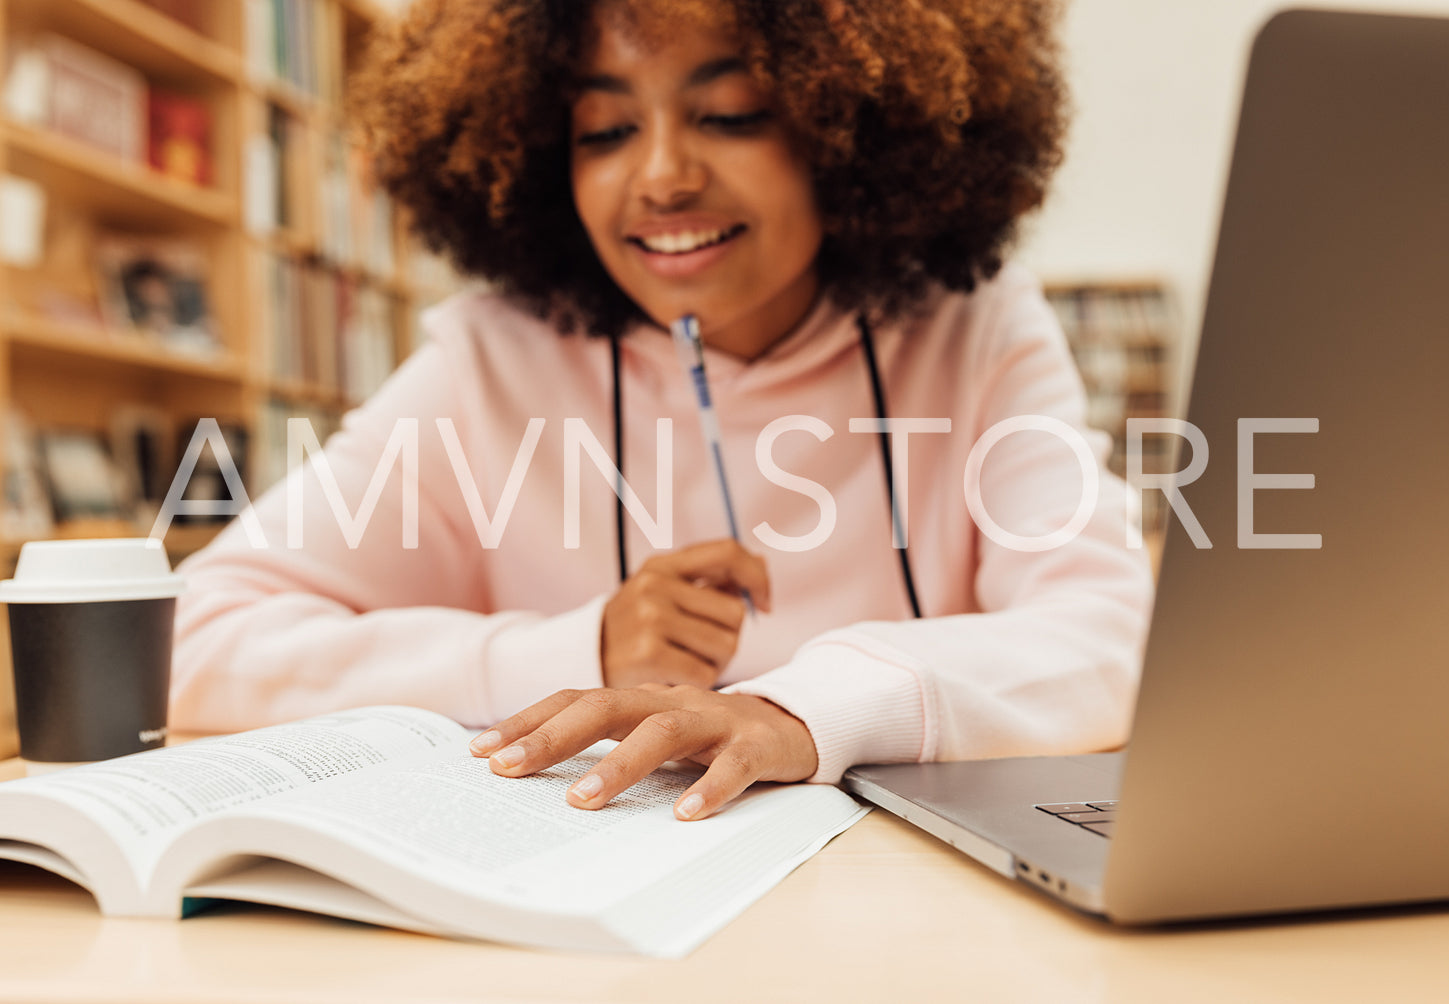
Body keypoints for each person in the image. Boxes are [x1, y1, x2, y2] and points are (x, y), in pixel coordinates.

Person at [169, 0, 1154, 823]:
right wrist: (581, 648)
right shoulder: (488, 362)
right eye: (604, 132)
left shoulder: (972, 333)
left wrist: (806, 709)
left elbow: (1110, 630)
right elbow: (196, 639)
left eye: (729, 113)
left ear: (849, 128)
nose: (661, 177)